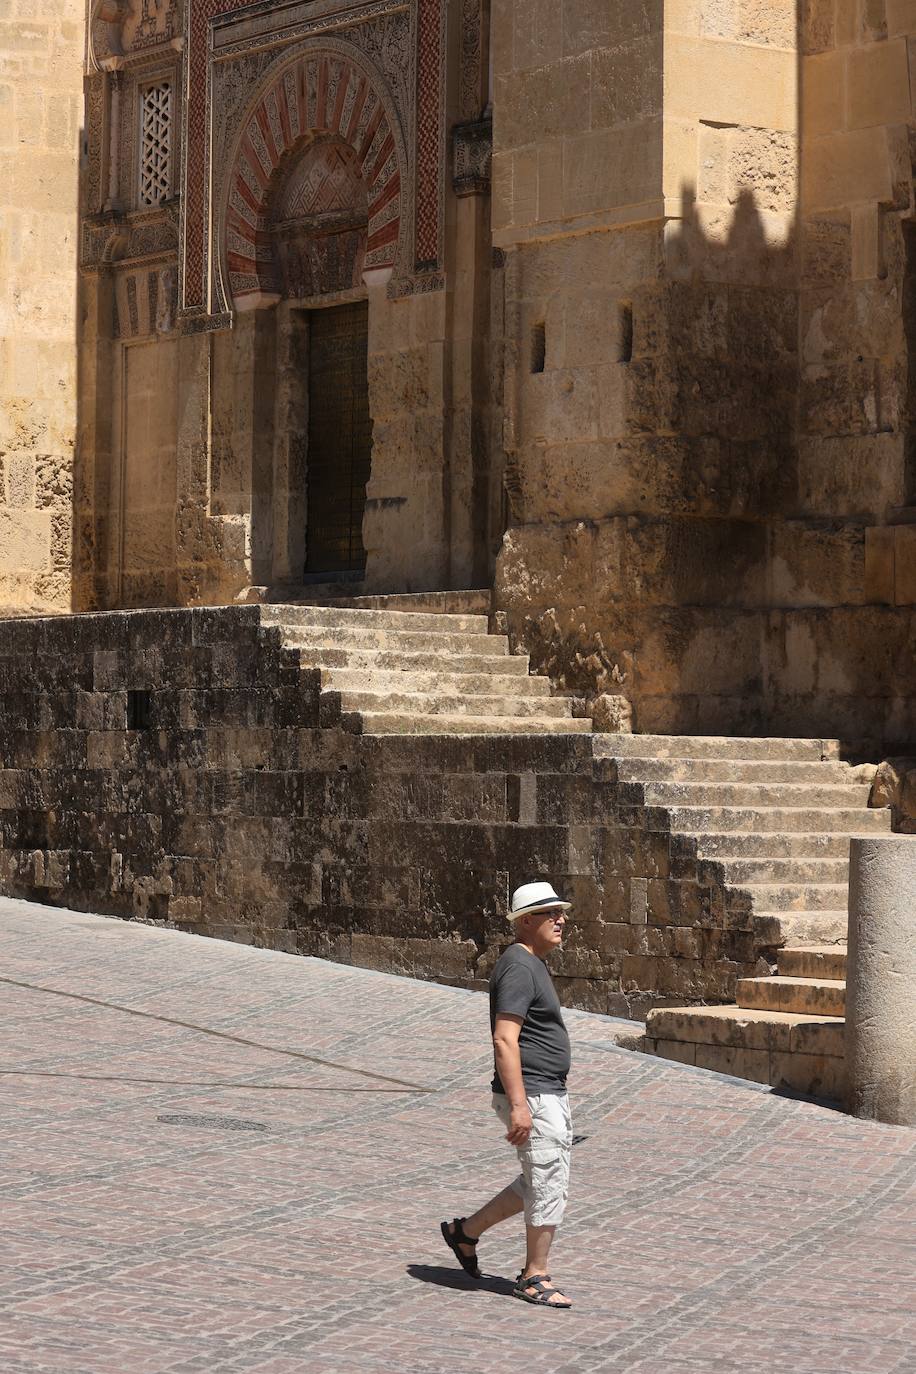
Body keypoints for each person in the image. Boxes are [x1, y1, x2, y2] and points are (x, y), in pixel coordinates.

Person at [440, 881, 574, 1309]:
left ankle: (466, 1232)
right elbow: (504, 1039)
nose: (561, 919)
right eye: (550, 912)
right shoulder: (518, 966)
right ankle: (534, 1276)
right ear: (526, 921)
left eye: (561, 911)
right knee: (548, 1181)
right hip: (532, 1093)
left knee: (538, 1178)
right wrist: (519, 1104)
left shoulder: (530, 962)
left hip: (542, 1090)